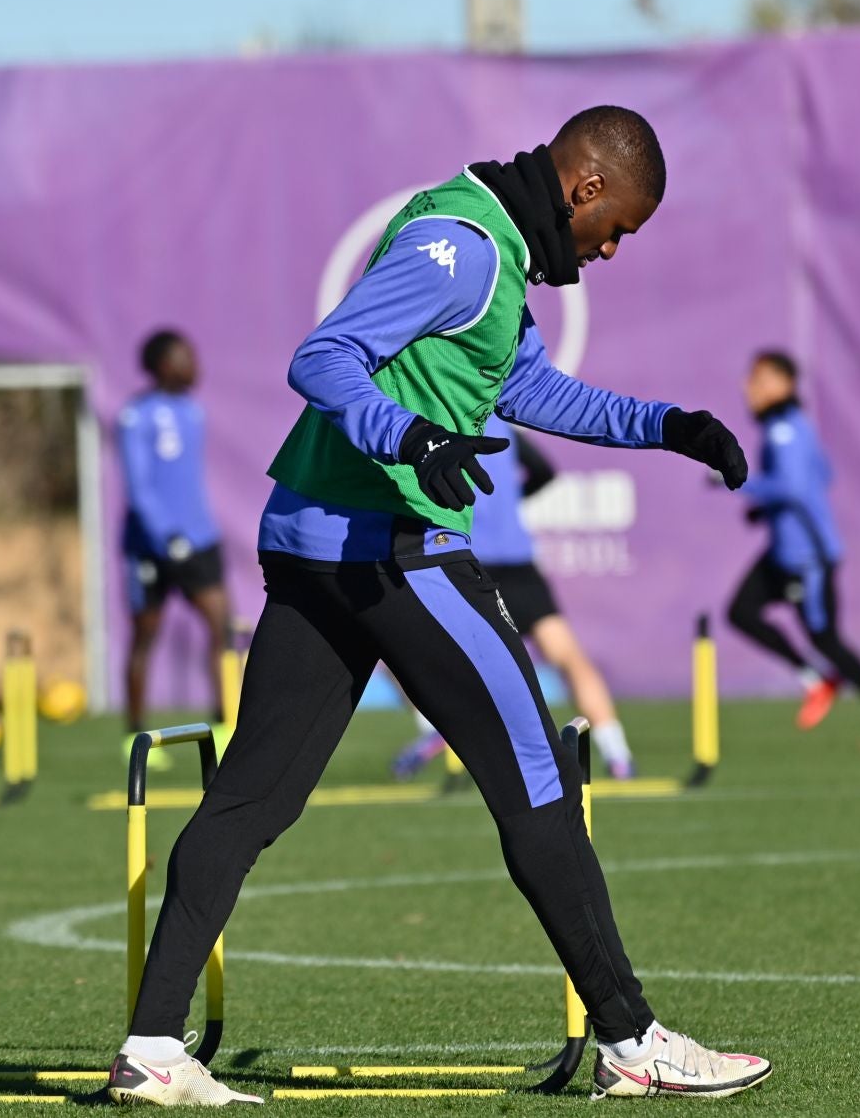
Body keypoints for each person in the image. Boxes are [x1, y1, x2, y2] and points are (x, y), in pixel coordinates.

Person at [108, 107, 773, 1105]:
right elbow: (322, 358)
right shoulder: (459, 250)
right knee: (539, 775)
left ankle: (153, 1047)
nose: (614, 248)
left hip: (315, 546)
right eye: (619, 226)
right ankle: (632, 1038)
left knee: (253, 797)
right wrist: (411, 438)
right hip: (393, 551)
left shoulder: (494, 250)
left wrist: (669, 425)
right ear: (585, 189)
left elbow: (537, 393)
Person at [392, 415, 636, 779]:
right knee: (566, 655)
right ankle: (617, 753)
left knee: (401, 647)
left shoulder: (429, 422)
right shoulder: (499, 426)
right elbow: (544, 472)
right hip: (518, 560)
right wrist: (509, 497)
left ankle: (435, 730)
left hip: (467, 558)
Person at [724, 350, 860, 753]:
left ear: (784, 384)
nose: (750, 387)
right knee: (741, 612)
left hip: (807, 560)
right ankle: (816, 679)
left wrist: (741, 482)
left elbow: (794, 486)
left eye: (760, 378)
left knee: (826, 640)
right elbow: (820, 475)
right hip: (784, 554)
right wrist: (768, 511)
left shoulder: (786, 430)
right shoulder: (788, 426)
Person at [119, 330, 231, 735]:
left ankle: (225, 722)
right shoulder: (136, 415)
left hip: (199, 541)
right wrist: (167, 535)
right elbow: (139, 487)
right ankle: (134, 733)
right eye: (187, 357)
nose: (195, 366)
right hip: (150, 546)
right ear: (165, 365)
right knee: (145, 636)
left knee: (222, 627)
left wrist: (194, 531)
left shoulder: (193, 411)